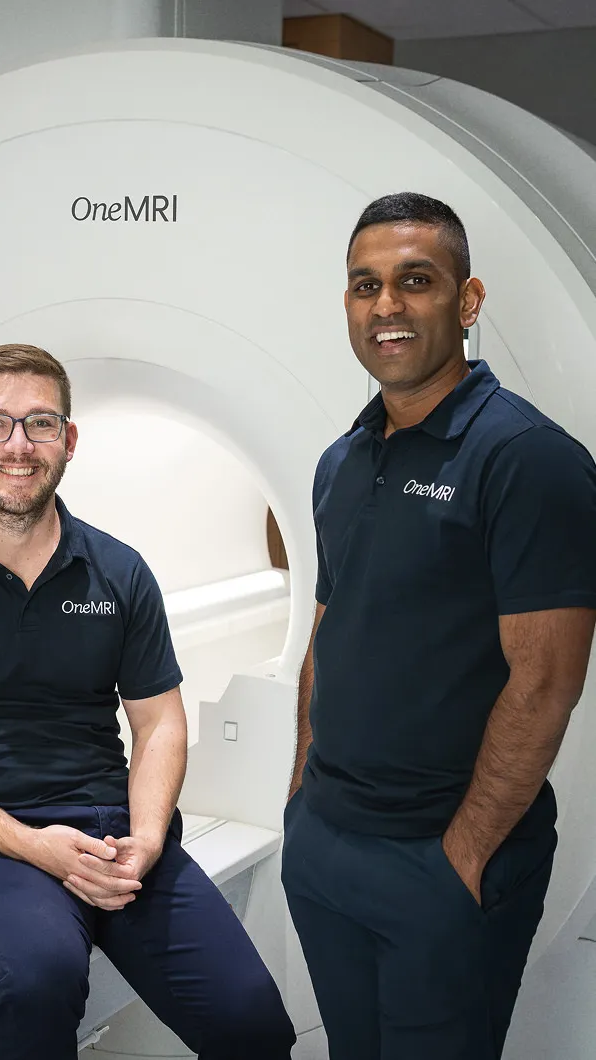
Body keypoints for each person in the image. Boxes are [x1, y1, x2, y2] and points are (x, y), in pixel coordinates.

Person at [0, 344, 295, 1060]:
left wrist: (147, 839)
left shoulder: (117, 571)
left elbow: (159, 725)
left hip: (115, 836)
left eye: (41, 424)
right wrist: (35, 848)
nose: (18, 445)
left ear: (70, 440)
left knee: (252, 1021)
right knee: (40, 979)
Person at [282, 192, 596, 1058]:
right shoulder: (341, 462)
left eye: (415, 281)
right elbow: (327, 633)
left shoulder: (528, 461)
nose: (386, 305)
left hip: (444, 860)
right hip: (328, 847)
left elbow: (546, 683)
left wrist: (460, 859)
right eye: (364, 285)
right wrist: (301, 799)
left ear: (467, 301)